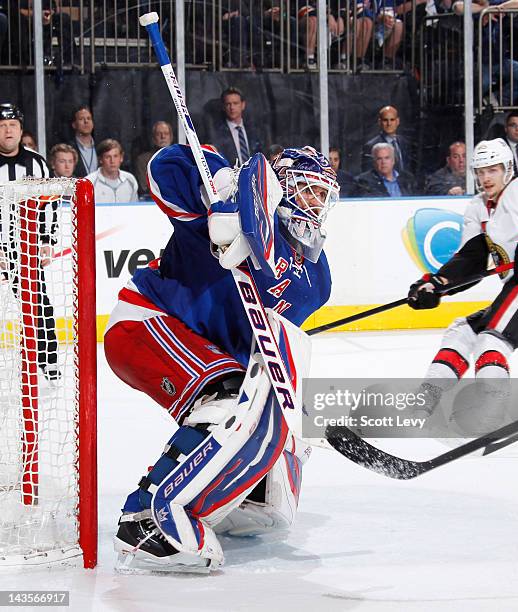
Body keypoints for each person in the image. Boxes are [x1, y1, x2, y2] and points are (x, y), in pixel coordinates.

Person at [103, 143, 340, 573]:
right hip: (147, 323)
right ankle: (146, 521)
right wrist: (220, 191)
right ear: (281, 188)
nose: (315, 203)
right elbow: (163, 166)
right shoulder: (225, 202)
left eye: (323, 195)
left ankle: (237, 495)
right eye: (307, 190)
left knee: (267, 411)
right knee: (227, 394)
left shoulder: (315, 277)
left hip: (206, 351)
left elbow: (266, 343)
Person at [407, 138, 518, 432]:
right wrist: (436, 284)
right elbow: (471, 259)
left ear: (507, 169)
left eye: (493, 170)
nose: (486, 178)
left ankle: (489, 415)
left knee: (492, 339)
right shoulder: (478, 208)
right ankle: (425, 401)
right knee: (463, 332)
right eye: (480, 171)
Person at [0, 103, 60, 381]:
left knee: (39, 303)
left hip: (25, 246)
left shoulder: (36, 163)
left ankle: (48, 361)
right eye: (2, 126)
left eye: (12, 125)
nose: (7, 130)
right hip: (1, 247)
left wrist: (46, 240)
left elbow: (49, 204)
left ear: (21, 129)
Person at [452, 0, 518, 107]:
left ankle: (495, 99)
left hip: (499, 60)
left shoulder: (494, 2)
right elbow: (457, 8)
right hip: (478, 61)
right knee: (483, 83)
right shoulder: (469, 4)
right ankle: (472, 109)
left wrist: (497, 8)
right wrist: (486, 11)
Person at [208, 87, 262, 167]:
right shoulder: (216, 133)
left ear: (243, 105)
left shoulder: (254, 130)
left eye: (235, 103)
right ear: (223, 107)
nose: (232, 108)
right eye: (228, 104)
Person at [361, 105, 412, 173]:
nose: (389, 123)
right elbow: (367, 175)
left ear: (397, 121)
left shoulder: (404, 142)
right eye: (385, 120)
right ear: (379, 122)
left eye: (392, 120)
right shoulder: (371, 146)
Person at [85, 139, 138, 203]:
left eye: (115, 156)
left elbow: (134, 208)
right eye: (107, 157)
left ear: (121, 158)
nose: (112, 161)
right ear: (100, 159)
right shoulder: (89, 182)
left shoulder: (130, 180)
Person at [134, 121, 174, 195]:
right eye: (159, 134)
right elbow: (145, 187)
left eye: (166, 133)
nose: (163, 137)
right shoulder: (143, 160)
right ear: (153, 138)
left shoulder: (179, 158)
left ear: (171, 137)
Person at [69, 105, 98, 178]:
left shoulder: (101, 146)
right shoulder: (68, 148)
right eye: (81, 119)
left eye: (89, 118)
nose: (86, 121)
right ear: (74, 125)